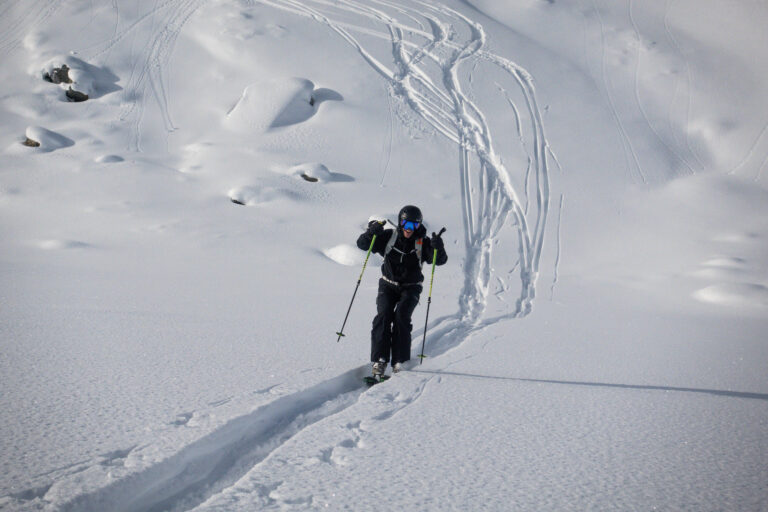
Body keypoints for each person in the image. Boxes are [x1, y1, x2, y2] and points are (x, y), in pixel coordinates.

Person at [356, 205, 448, 379]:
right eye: (405, 223)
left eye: (413, 225)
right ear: (400, 221)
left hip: (411, 287)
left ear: (418, 226)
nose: (408, 229)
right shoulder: (389, 237)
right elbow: (362, 244)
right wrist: (371, 233)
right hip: (388, 285)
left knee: (401, 318)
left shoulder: (423, 242)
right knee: (383, 316)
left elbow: (440, 260)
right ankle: (380, 361)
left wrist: (438, 247)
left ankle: (400, 362)